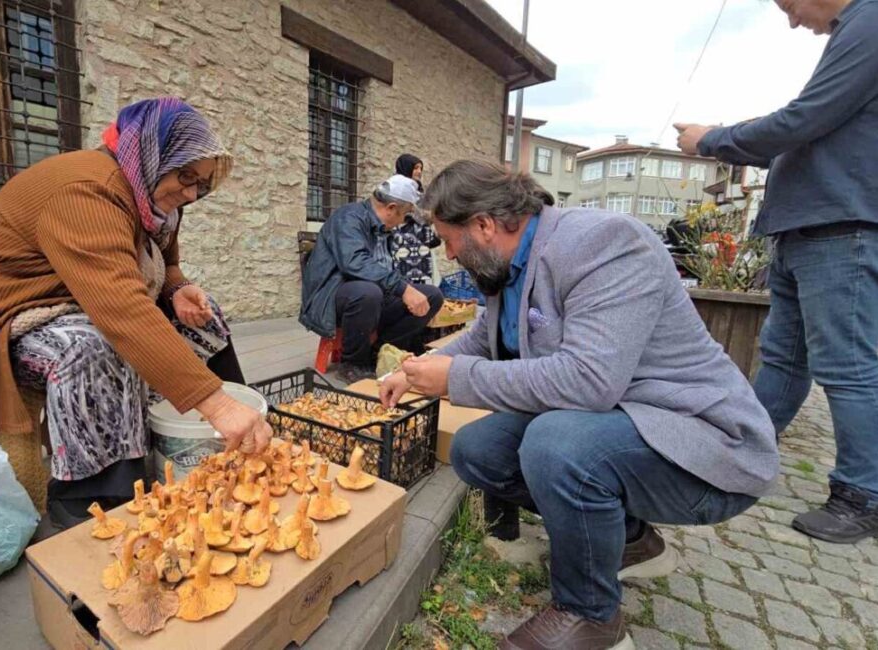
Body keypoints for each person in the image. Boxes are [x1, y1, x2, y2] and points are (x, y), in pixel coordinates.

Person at [381, 161, 778, 650]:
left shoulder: (604, 243)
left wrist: (455, 379)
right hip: (623, 423)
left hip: (702, 443)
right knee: (477, 448)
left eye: (449, 239)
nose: (449, 254)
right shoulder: (507, 265)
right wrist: (418, 369)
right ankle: (632, 540)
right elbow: (483, 339)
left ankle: (592, 616)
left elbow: (590, 381)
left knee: (556, 444)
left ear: (483, 224)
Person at [0, 97, 272, 527]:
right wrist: (215, 404)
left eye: (201, 185)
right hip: (6, 321)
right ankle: (91, 495)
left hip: (81, 300)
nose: (190, 193)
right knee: (94, 345)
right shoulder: (86, 190)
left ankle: (238, 441)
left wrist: (179, 287)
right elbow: (121, 307)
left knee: (206, 318)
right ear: (152, 152)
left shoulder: (155, 201)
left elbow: (164, 264)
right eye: (185, 176)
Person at [675, 0, 878, 543]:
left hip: (841, 225)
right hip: (808, 227)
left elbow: (804, 119)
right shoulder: (855, 30)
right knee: (785, 358)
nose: (792, 20)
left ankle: (863, 496)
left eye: (789, 4)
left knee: (848, 366)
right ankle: (746, 449)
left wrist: (712, 138)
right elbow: (811, 130)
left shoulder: (871, 20)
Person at [300, 174, 444, 384]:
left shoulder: (383, 228)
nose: (403, 222)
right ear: (391, 207)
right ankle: (352, 363)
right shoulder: (348, 218)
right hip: (333, 298)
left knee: (431, 295)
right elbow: (355, 262)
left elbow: (382, 270)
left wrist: (407, 290)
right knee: (368, 292)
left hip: (372, 296)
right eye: (404, 215)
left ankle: (379, 351)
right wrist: (403, 289)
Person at [389, 154, 441, 285]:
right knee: (400, 282)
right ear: (406, 168)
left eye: (420, 168)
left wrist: (414, 211)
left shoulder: (420, 192)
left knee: (423, 284)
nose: (419, 171)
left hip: (421, 243)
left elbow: (431, 216)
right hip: (400, 243)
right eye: (415, 168)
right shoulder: (393, 189)